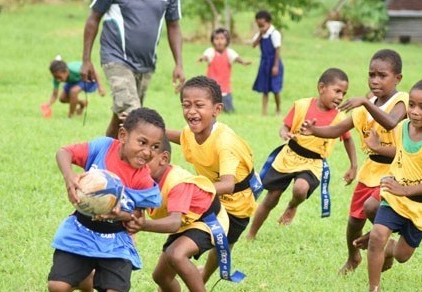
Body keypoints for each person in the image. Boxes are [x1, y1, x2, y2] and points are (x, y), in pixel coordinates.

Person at [301, 49, 408, 275]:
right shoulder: (367, 103)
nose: (375, 80)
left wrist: (366, 103)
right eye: (371, 75)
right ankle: (353, 257)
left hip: (396, 170)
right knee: (353, 222)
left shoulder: (402, 100)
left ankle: (385, 243)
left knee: (372, 206)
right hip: (371, 170)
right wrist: (314, 130)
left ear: (397, 78)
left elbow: (390, 123)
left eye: (382, 75)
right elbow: (338, 129)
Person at [47, 107, 164, 292]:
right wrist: (69, 177)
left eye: (155, 147)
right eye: (142, 142)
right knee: (57, 286)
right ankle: (86, 275)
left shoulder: (143, 179)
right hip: (81, 231)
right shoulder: (103, 147)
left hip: (115, 241)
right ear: (123, 135)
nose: (147, 152)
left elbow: (137, 216)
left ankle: (90, 277)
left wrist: (121, 216)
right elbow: (64, 152)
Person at [246, 68, 358, 240]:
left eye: (343, 93)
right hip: (289, 156)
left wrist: (353, 165)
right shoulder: (301, 105)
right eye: (337, 91)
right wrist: (284, 133)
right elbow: (285, 126)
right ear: (322, 88)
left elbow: (349, 140)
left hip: (312, 163)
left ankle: (292, 205)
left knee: (300, 189)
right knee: (271, 198)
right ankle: (251, 234)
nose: (340, 97)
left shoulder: (340, 118)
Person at [167, 75, 258, 284]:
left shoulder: (225, 142)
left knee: (222, 244)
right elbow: (176, 136)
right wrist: (143, 129)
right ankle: (174, 274)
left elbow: (228, 184)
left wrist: (191, 190)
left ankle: (203, 277)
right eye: (186, 105)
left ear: (217, 109)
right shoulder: (192, 132)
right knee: (182, 242)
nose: (191, 111)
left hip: (237, 203)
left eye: (199, 105)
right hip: (208, 195)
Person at [367, 78, 422, 292]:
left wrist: (406, 190)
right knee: (377, 236)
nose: (414, 111)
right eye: (411, 104)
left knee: (402, 256)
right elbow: (402, 151)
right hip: (395, 197)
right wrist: (378, 147)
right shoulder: (403, 127)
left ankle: (390, 249)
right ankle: (374, 288)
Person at [125, 136, 229, 292]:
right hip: (184, 222)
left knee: (177, 254)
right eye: (138, 159)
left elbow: (173, 223)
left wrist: (143, 225)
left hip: (208, 220)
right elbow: (136, 209)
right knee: (161, 277)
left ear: (164, 158)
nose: (140, 165)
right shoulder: (142, 180)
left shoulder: (177, 182)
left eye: (147, 160)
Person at [81, 0, 185, 138]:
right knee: (135, 116)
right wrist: (86, 60)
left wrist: (179, 64)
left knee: (123, 117)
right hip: (115, 58)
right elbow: (94, 18)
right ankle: (149, 158)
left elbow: (173, 26)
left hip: (146, 64)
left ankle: (104, 153)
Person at [198, 28, 252, 113]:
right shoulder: (211, 51)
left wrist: (243, 62)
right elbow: (206, 56)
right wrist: (202, 58)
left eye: (222, 39)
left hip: (225, 88)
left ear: (227, 41)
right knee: (211, 106)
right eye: (216, 39)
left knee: (229, 110)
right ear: (212, 41)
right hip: (212, 87)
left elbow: (236, 58)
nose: (219, 42)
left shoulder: (229, 52)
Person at [252, 10, 284, 116]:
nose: (260, 27)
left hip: (274, 62)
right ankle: (264, 112)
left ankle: (278, 109)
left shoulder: (275, 34)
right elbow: (254, 44)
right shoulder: (261, 34)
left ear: (268, 22)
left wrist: (275, 66)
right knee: (265, 89)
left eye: (262, 25)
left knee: (275, 89)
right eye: (258, 25)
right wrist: (261, 34)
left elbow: (277, 51)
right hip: (264, 64)